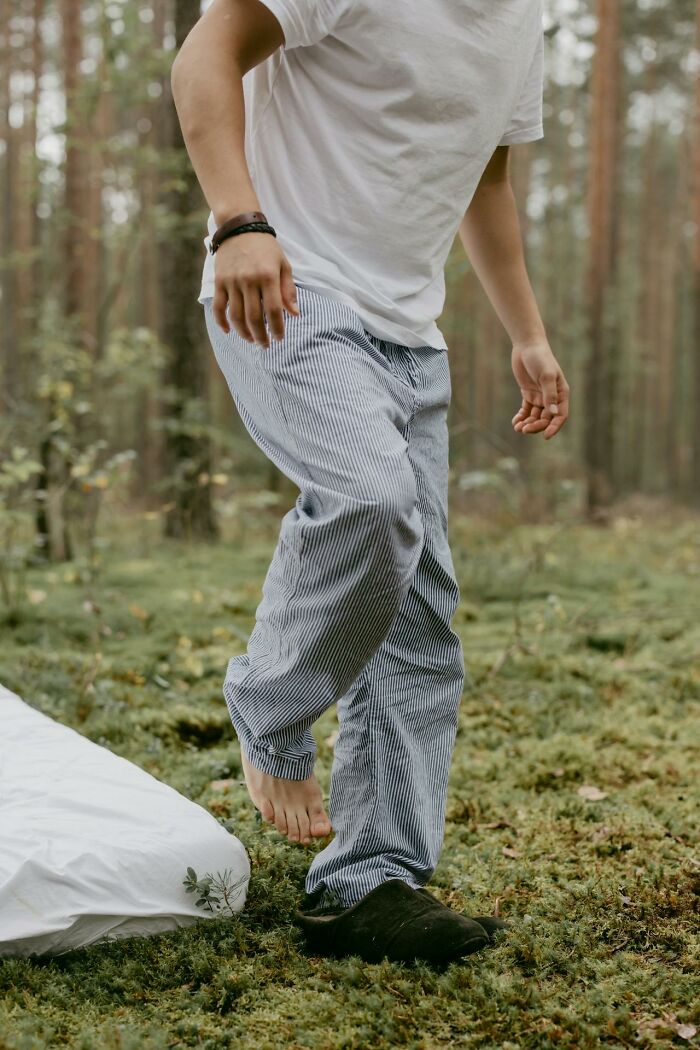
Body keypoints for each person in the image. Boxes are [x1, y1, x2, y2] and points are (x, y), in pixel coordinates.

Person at [171, 0, 570, 965]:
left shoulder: (523, 24)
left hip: (409, 338)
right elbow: (206, 51)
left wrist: (527, 331)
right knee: (369, 501)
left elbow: (487, 180)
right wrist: (238, 221)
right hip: (287, 290)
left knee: (419, 613)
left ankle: (368, 884)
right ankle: (272, 712)